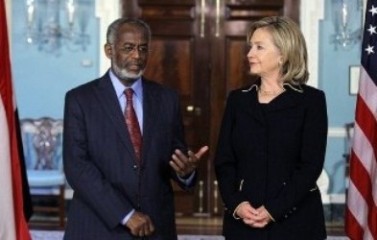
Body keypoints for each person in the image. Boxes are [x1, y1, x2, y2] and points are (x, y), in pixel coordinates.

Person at [62, 18, 208, 240]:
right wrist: (126, 215)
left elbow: (175, 157)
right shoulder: (80, 100)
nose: (137, 56)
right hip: (98, 227)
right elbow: (77, 167)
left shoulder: (167, 99)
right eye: (128, 48)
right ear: (109, 50)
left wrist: (185, 173)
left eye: (143, 49)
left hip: (155, 228)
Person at [214, 16, 328, 240]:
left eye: (259, 47)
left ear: (282, 54)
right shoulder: (238, 100)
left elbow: (310, 166)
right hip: (243, 224)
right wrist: (236, 204)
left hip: (297, 225)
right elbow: (224, 161)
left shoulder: (311, 101)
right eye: (251, 46)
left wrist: (274, 210)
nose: (249, 54)